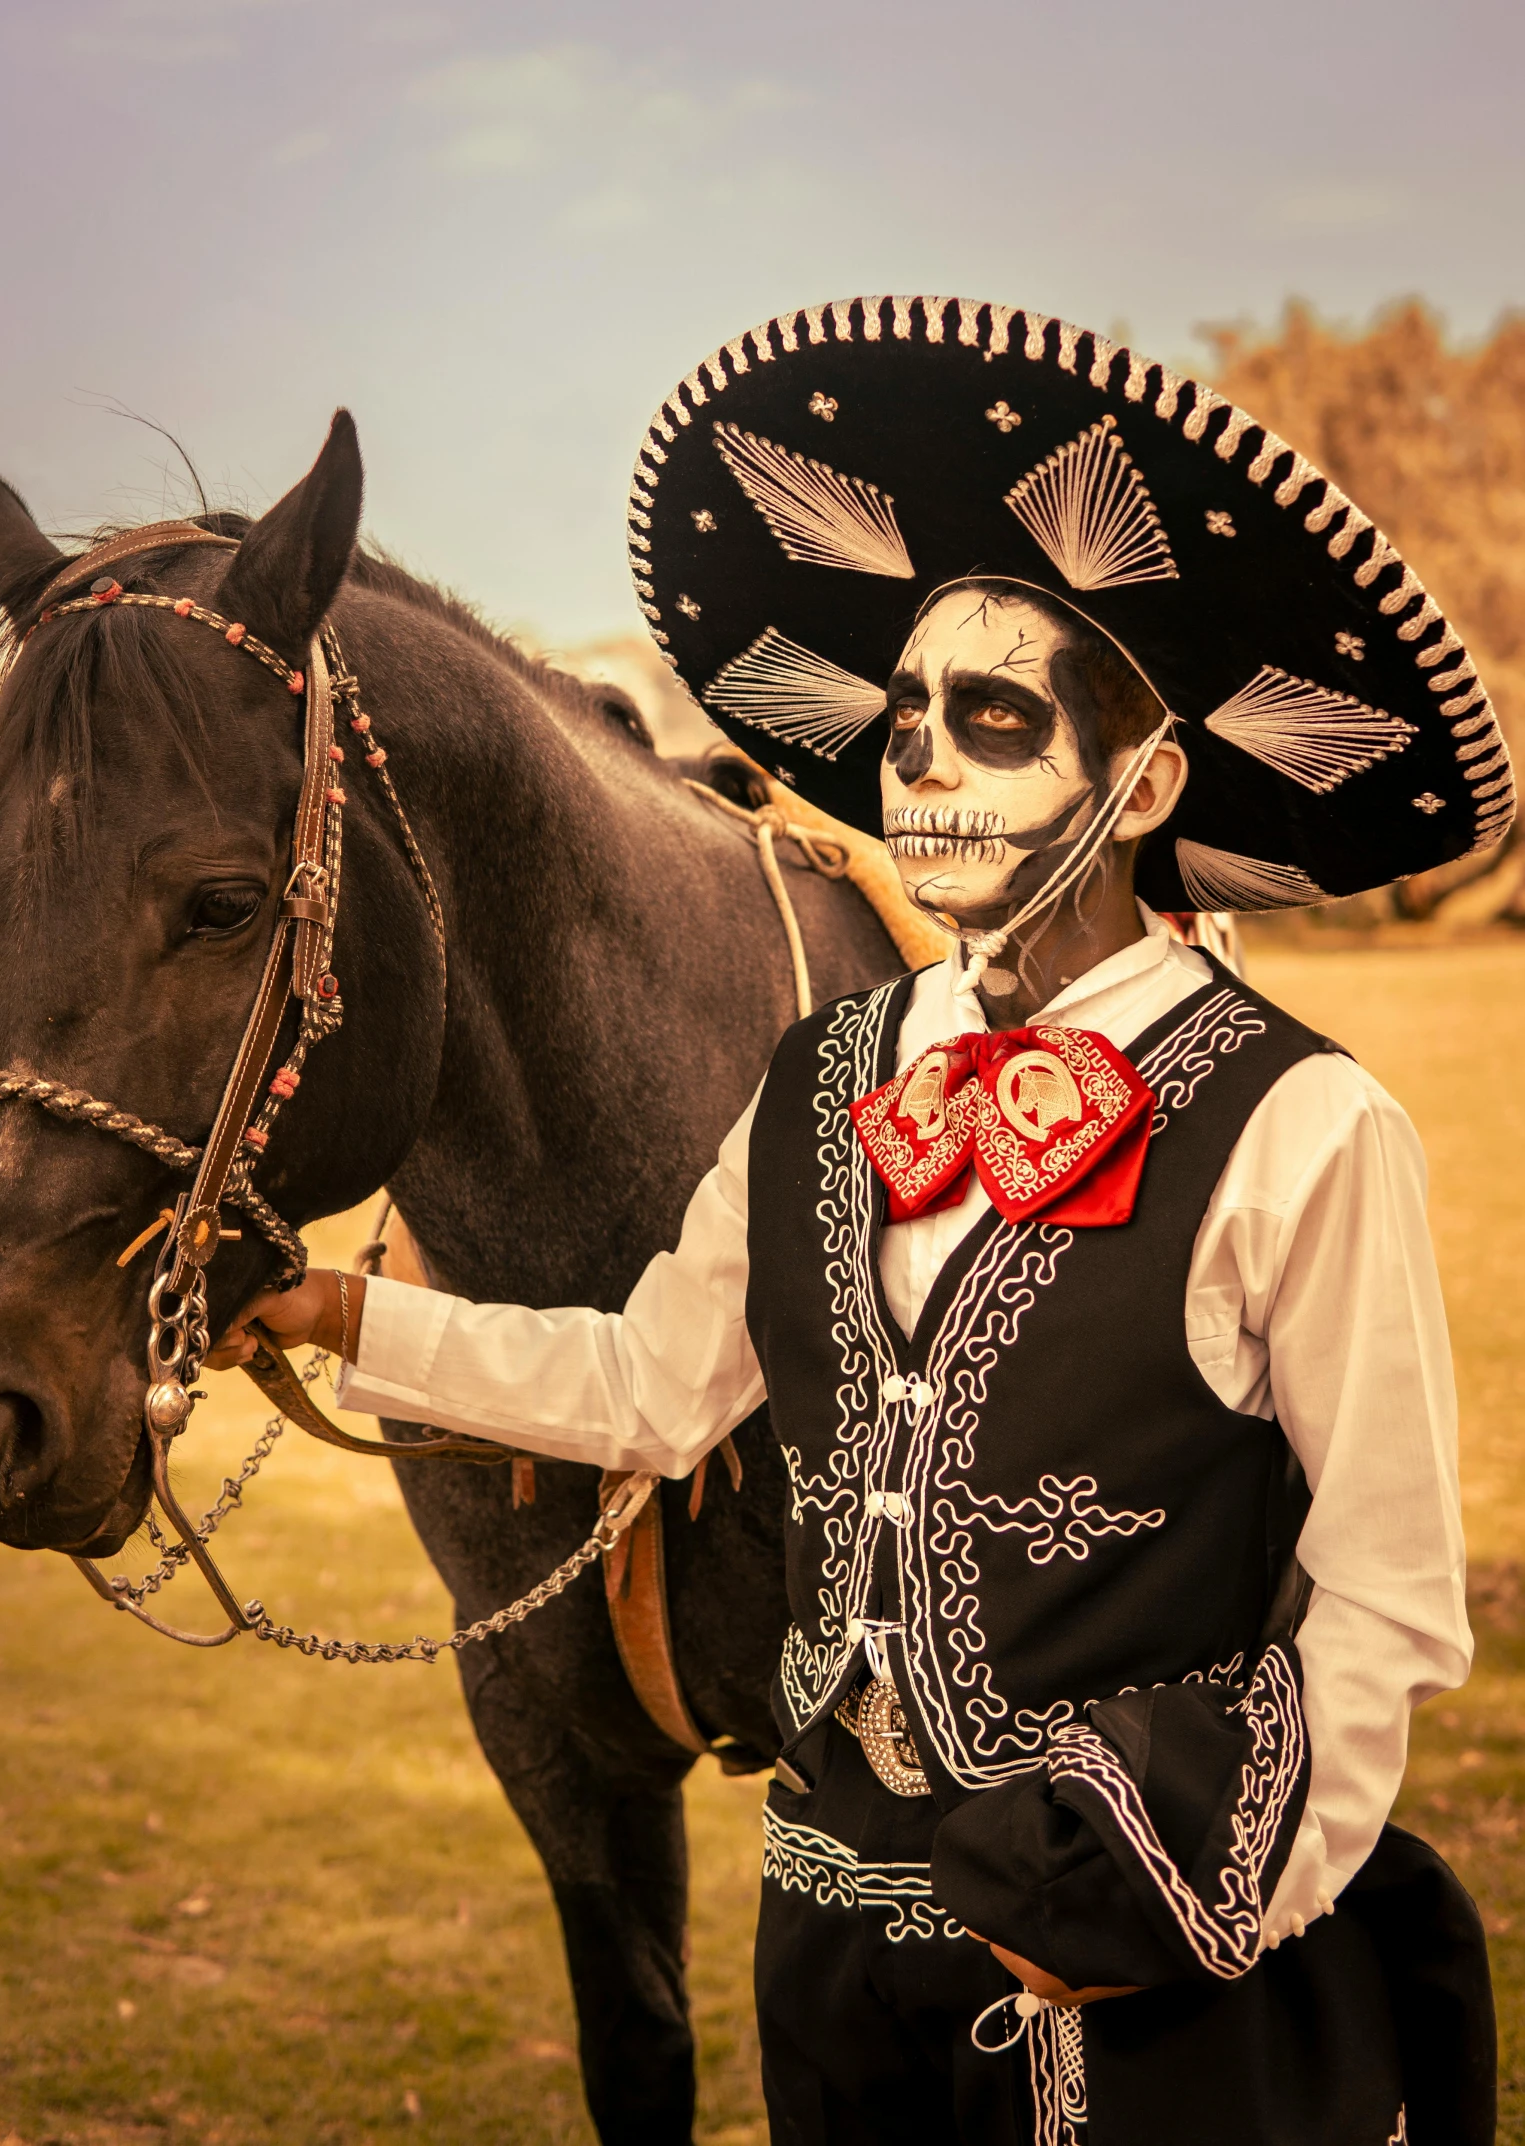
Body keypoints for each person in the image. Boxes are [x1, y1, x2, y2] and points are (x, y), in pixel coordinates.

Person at [210, 297, 1509, 2144]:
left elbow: (1385, 1602)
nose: (921, 761)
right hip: (828, 1947)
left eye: (993, 717)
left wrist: (1201, 1898)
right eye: (904, 718)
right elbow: (653, 1386)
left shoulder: (1308, 1125)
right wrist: (347, 1317)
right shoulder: (826, 1078)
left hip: (1143, 1985)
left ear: (1142, 784)